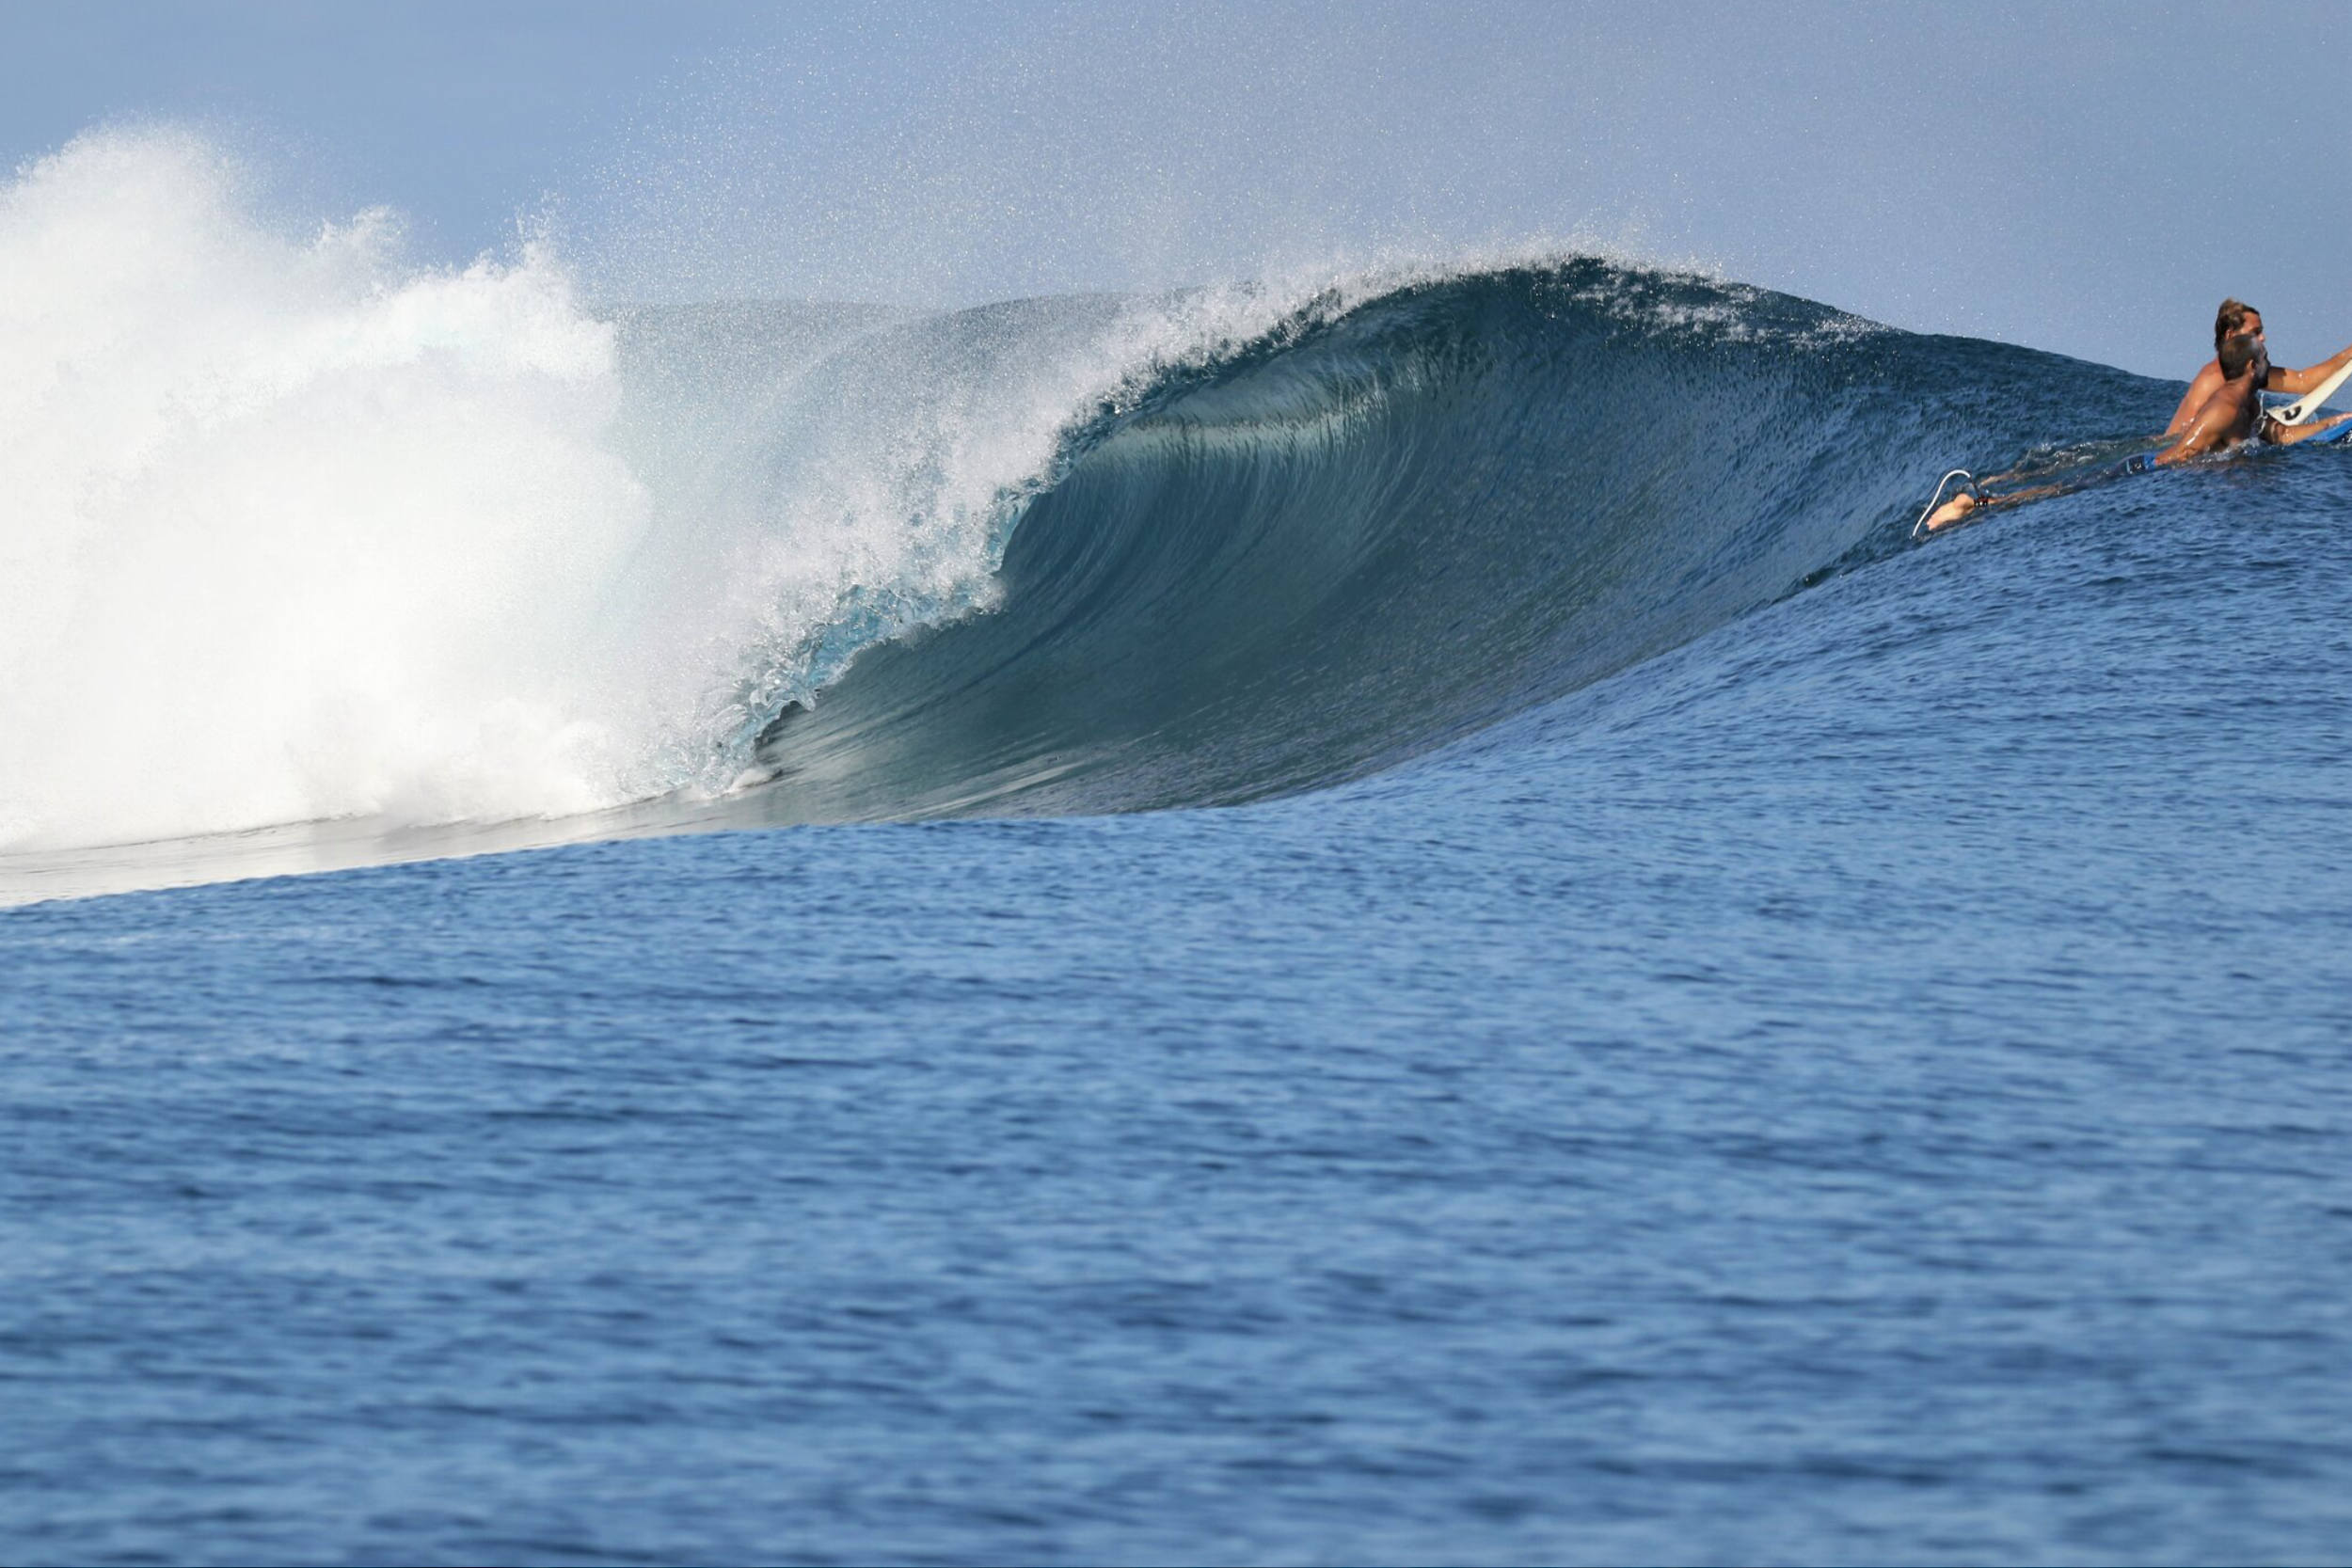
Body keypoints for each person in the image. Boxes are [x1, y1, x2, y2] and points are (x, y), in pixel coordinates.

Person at [1922, 332, 2352, 531]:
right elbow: (2179, 457)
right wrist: (2205, 467)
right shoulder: (2224, 408)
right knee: (2059, 491)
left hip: (2156, 469)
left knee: (2060, 491)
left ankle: (1981, 500)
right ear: (2251, 366)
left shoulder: (2251, 401)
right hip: (2141, 472)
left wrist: (2332, 424)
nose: (2269, 362)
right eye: (2265, 356)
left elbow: (2276, 435)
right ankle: (1978, 503)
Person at [2164, 299, 2352, 435]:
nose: (2263, 338)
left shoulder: (2246, 371)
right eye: (2256, 333)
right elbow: (2187, 436)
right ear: (2231, 335)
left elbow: (2304, 382)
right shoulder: (2218, 376)